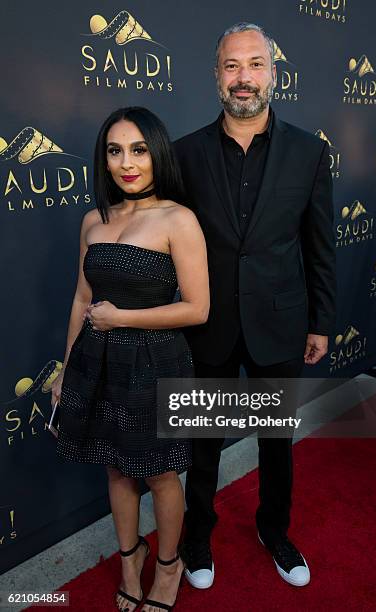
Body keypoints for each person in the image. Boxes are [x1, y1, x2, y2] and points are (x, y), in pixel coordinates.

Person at [174, 23, 336, 589]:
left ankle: (275, 530)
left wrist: (321, 320)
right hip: (208, 323)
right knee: (204, 442)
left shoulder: (311, 152)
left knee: (275, 442)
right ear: (216, 75)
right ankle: (197, 539)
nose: (244, 78)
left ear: (273, 72)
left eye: (255, 65)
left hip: (280, 320)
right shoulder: (184, 154)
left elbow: (320, 244)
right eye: (232, 66)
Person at [52, 107, 209, 612]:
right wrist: (65, 369)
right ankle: (129, 557)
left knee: (161, 473)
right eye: (114, 151)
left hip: (159, 362)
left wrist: (123, 319)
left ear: (157, 152)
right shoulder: (93, 221)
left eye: (138, 149)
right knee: (116, 469)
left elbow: (198, 307)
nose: (127, 162)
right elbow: (81, 298)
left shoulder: (177, 219)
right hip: (98, 361)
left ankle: (169, 566)